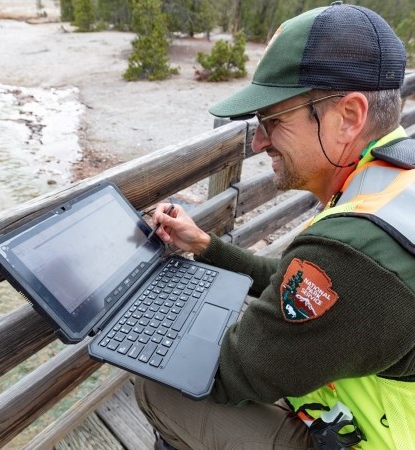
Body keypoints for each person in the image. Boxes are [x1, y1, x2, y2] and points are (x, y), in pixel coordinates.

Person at [135, 2, 415, 449]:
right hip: (371, 407)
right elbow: (299, 290)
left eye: (273, 121)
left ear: (348, 117)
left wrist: (141, 315)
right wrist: (207, 246)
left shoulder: (353, 254)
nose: (260, 141)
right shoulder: (394, 175)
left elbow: (227, 374)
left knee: (159, 390)